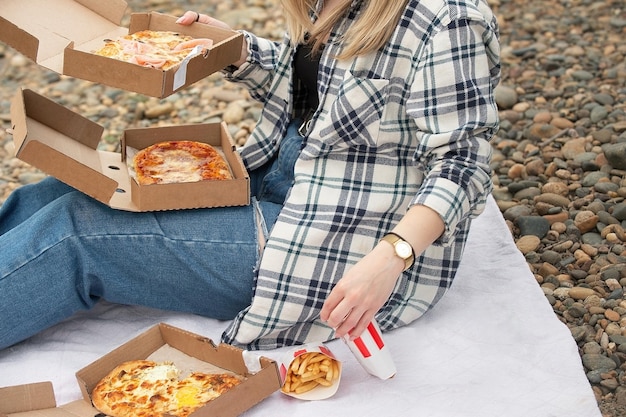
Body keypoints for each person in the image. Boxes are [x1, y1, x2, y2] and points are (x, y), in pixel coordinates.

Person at [0, 0, 500, 351]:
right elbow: (316, 87)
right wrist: (234, 50)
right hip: (281, 174)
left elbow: (464, 163)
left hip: (339, 241)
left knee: (76, 232)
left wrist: (391, 259)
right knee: (55, 192)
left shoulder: (448, 19)